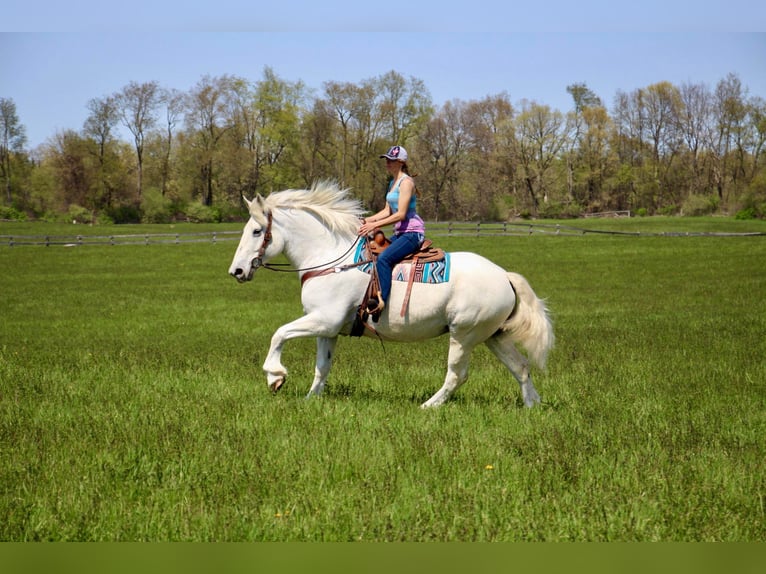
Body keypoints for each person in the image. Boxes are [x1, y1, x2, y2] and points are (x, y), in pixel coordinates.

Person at [358, 145, 425, 314]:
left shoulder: (406, 182)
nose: (387, 163)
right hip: (400, 233)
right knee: (373, 254)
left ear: (401, 162)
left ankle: (381, 302)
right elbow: (387, 211)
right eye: (387, 159)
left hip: (412, 233)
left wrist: (374, 226)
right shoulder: (392, 183)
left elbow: (400, 214)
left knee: (384, 259)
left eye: (391, 160)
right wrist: (365, 220)